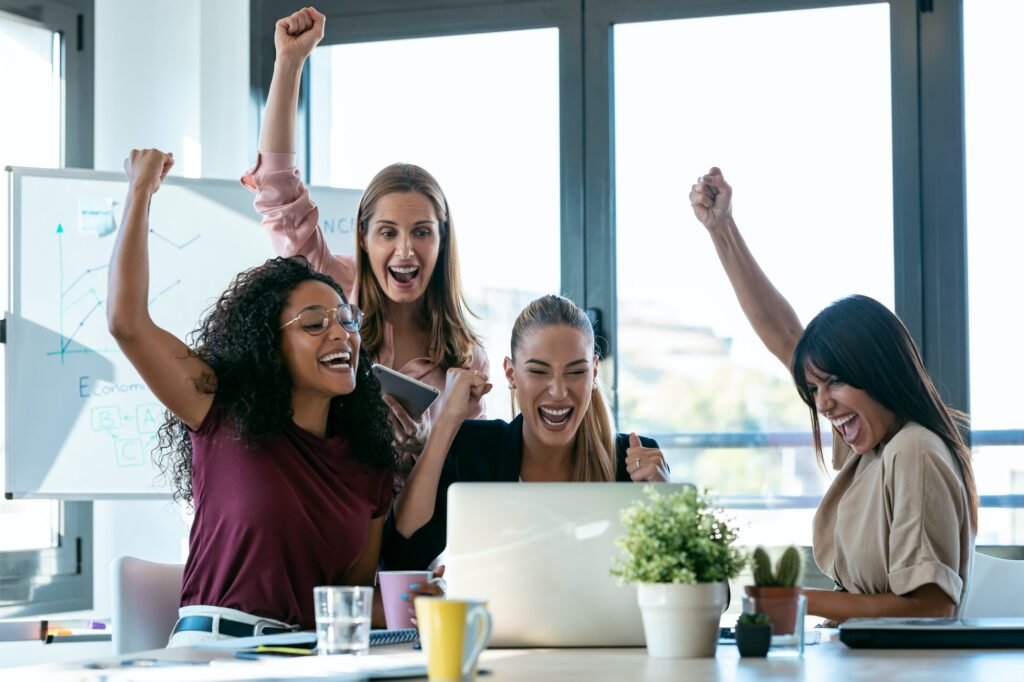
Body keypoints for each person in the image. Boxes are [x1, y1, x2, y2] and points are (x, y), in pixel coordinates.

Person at [107, 148, 422, 645]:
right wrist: (141, 189)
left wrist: (424, 599)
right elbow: (127, 323)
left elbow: (347, 602)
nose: (341, 337)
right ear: (270, 345)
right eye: (315, 325)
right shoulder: (221, 409)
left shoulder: (369, 467)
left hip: (302, 657)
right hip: (212, 652)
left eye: (347, 321)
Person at [690, 167, 978, 622]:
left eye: (835, 383)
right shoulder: (874, 446)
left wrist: (790, 600)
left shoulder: (913, 450)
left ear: (878, 372)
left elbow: (931, 607)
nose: (822, 404)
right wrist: (721, 230)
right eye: (814, 388)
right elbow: (785, 336)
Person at [243, 6, 488, 462]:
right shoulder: (332, 293)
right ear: (363, 237)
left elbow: (465, 472)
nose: (405, 251)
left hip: (417, 529)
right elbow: (278, 192)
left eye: (421, 232)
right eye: (388, 233)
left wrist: (421, 447)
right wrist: (289, 63)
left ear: (442, 239)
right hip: (329, 519)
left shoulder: (464, 357)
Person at [382, 294, 671, 570]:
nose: (558, 392)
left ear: (594, 373)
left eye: (576, 372)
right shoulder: (474, 451)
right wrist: (447, 421)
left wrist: (664, 502)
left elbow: (692, 585)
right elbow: (403, 557)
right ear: (511, 373)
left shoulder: (631, 463)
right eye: (538, 371)